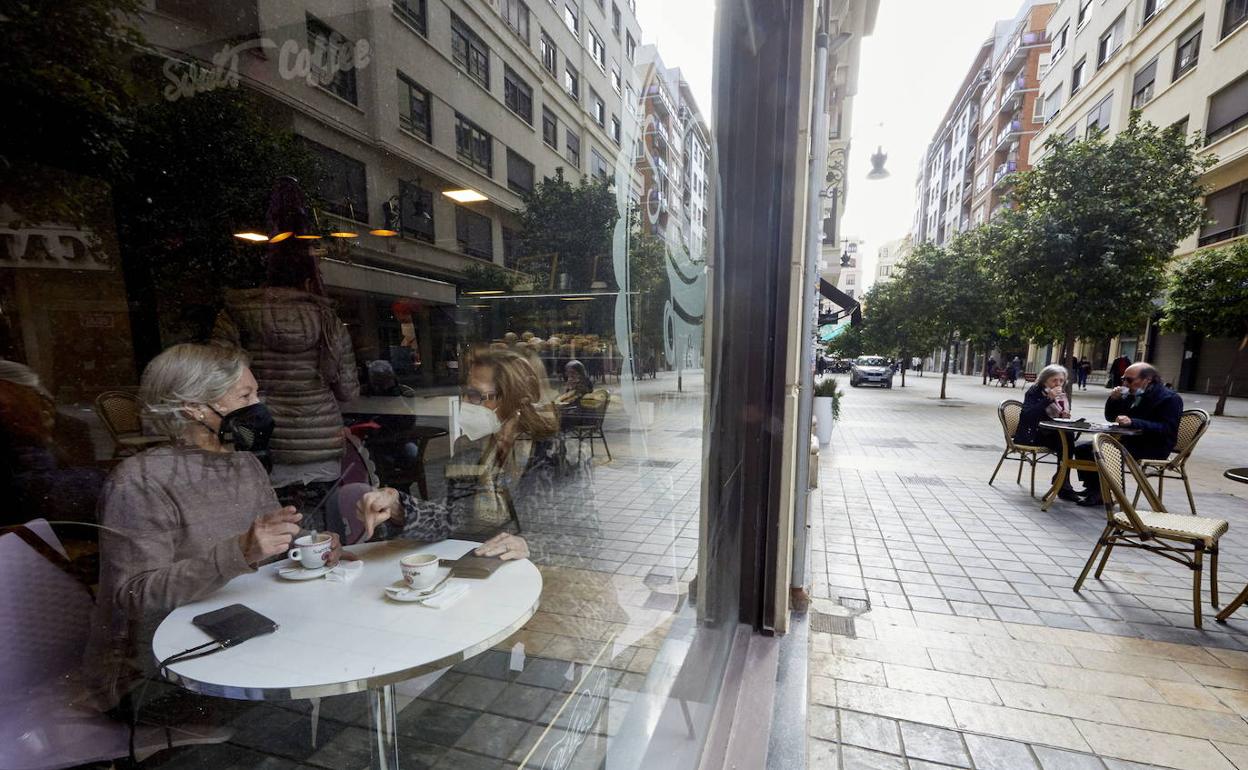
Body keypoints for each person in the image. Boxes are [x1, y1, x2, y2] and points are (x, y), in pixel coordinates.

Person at [84, 344, 344, 711]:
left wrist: (308, 542)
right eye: (245, 395)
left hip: (242, 634)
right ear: (193, 407)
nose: (259, 405)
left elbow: (266, 540)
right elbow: (134, 597)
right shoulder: (139, 481)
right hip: (163, 672)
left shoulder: (244, 464)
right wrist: (241, 552)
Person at [212, 249, 359, 525]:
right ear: (308, 281)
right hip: (320, 440)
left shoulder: (235, 316)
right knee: (326, 528)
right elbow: (348, 391)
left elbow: (218, 381)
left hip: (264, 436)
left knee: (269, 525)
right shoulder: (327, 320)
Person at [355, 348, 555, 549]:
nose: (465, 403)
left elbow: (561, 536)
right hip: (484, 564)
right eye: (466, 394)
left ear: (513, 399)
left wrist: (529, 544)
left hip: (541, 574)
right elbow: (449, 518)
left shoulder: (546, 451)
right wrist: (398, 507)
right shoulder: (473, 449)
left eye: (476, 395)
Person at [1071, 363, 1182, 507]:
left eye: (1129, 380)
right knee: (1083, 449)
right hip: (1130, 440)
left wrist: (1133, 422)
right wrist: (1114, 399)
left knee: (1101, 451)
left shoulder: (1169, 398)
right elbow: (1111, 417)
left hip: (1154, 445)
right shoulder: (1132, 394)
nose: (1124, 383)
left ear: (1147, 380)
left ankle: (1101, 492)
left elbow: (1167, 428)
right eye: (1123, 379)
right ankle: (1093, 488)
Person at [1013, 365, 1078, 501]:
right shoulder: (1034, 392)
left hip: (1050, 433)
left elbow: (1055, 417)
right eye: (1054, 380)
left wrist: (1064, 414)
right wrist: (1047, 399)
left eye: (1061, 381)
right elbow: (1027, 415)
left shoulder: (1062, 396)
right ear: (1044, 380)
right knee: (1066, 439)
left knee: (1068, 437)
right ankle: (1063, 481)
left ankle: (1062, 479)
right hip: (1032, 435)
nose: (1058, 384)